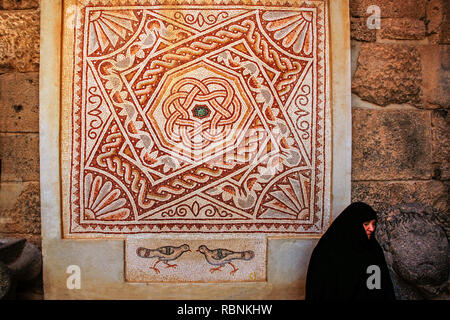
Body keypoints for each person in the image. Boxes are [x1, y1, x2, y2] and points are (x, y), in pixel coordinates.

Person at [305, 202, 396, 301]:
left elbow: (378, 287)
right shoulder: (327, 251)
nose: (371, 228)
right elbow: (319, 289)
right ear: (353, 224)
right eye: (366, 224)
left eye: (373, 224)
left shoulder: (372, 250)